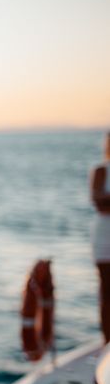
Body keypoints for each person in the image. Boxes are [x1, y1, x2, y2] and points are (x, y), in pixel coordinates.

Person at [90, 131, 110, 344]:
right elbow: (98, 202)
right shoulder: (101, 170)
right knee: (106, 291)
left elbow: (104, 202)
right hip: (104, 236)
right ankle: (107, 343)